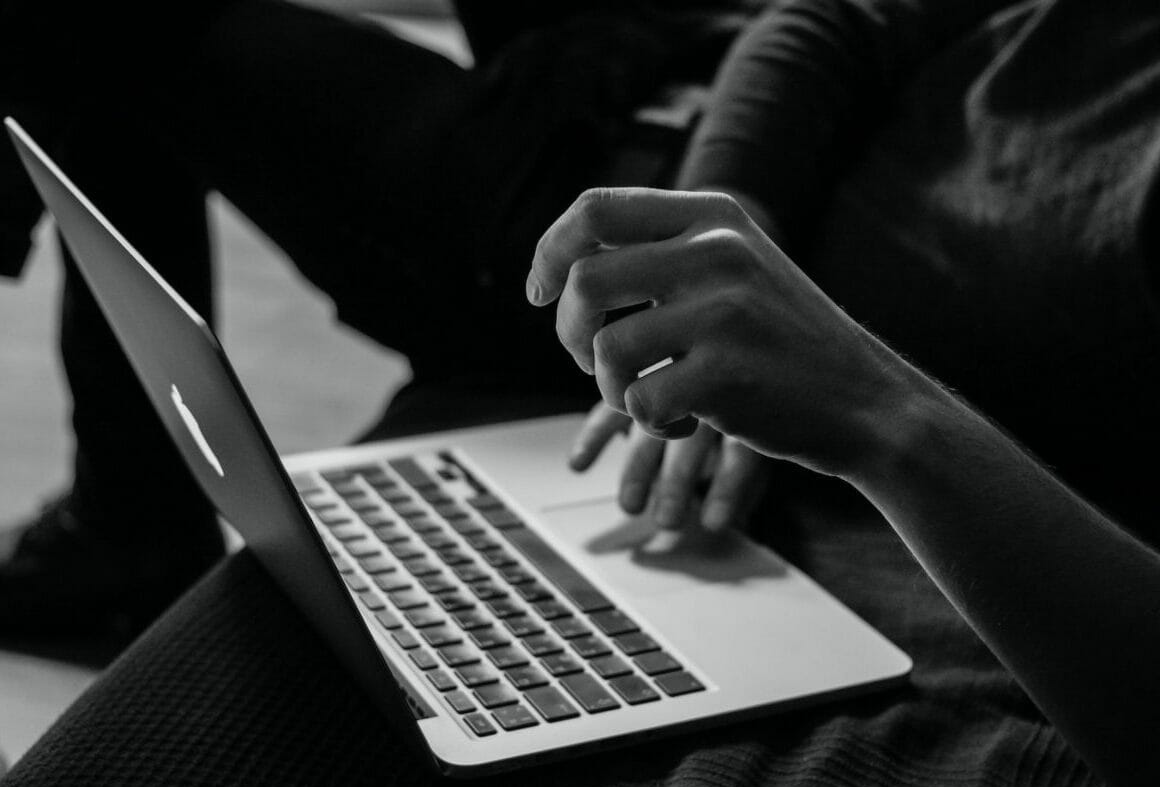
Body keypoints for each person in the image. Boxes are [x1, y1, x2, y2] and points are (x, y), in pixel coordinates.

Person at [0, 0, 1156, 787]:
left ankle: (122, 528)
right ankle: (127, 520)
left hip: (565, 259)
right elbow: (827, 22)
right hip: (638, 120)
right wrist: (720, 232)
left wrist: (870, 401)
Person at [0, 0, 752, 638]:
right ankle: (129, 529)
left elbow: (809, 32)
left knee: (102, 23)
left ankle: (129, 531)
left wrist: (719, 262)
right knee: (105, 47)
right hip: (618, 85)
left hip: (615, 172)